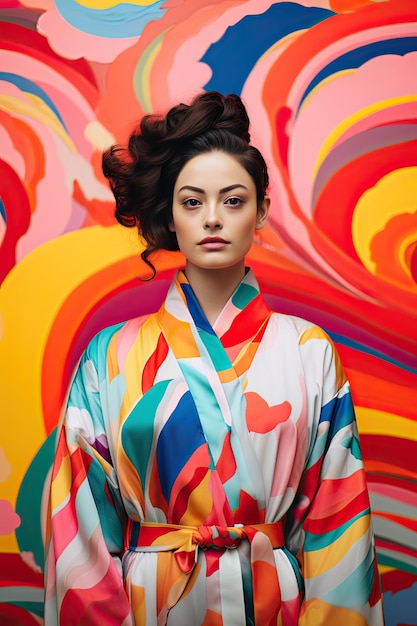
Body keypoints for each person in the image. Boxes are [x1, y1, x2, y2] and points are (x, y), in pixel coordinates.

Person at [44, 91, 385, 626]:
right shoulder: (109, 357)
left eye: (232, 200)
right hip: (153, 604)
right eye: (192, 201)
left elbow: (336, 524)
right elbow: (80, 531)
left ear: (261, 211)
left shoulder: (309, 351)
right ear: (170, 216)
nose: (212, 219)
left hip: (274, 603)